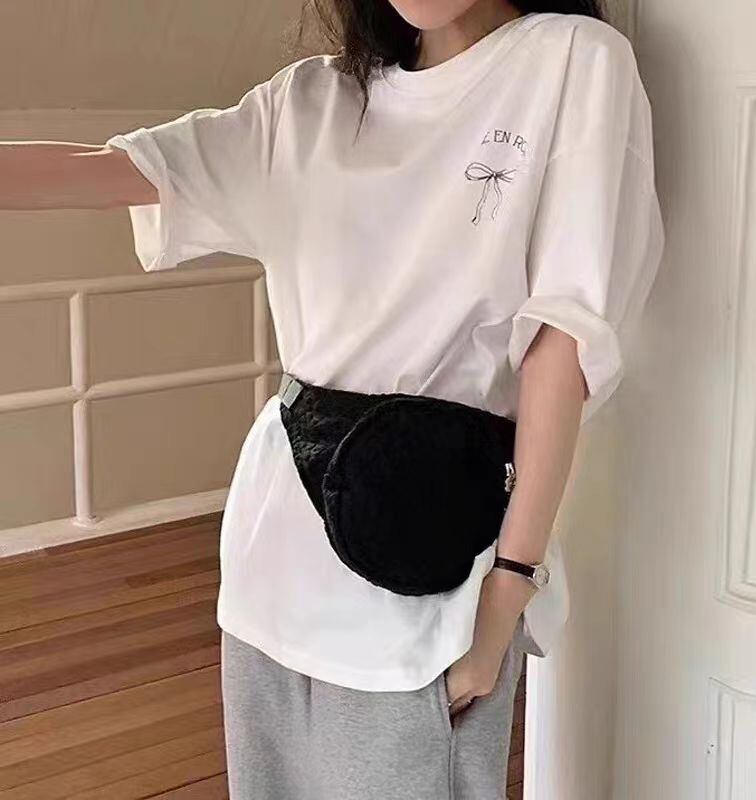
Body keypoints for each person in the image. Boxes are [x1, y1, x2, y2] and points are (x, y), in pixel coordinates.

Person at [0, 1, 665, 797]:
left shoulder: (572, 60)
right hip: (271, 560)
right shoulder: (309, 100)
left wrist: (510, 586)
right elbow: (104, 171)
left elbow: (564, 341)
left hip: (429, 571)